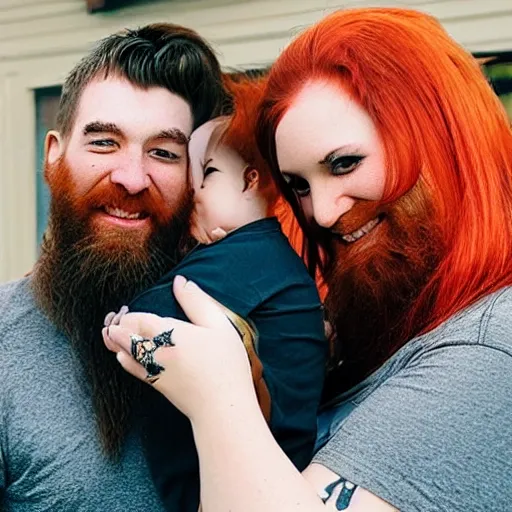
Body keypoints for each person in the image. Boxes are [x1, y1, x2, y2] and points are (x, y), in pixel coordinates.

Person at [104, 7, 512, 512]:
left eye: (345, 163)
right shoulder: (402, 321)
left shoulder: (489, 349)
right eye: (298, 184)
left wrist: (218, 399)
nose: (321, 212)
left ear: (444, 139)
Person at [0, 23, 226, 511]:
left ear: (199, 179)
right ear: (53, 157)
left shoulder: (241, 335)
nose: (130, 178)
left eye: (164, 153)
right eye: (103, 142)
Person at [105, 78, 327, 510]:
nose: (193, 195)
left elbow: (147, 315)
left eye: (206, 174)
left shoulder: (253, 253)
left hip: (237, 479)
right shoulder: (256, 254)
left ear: (250, 181)